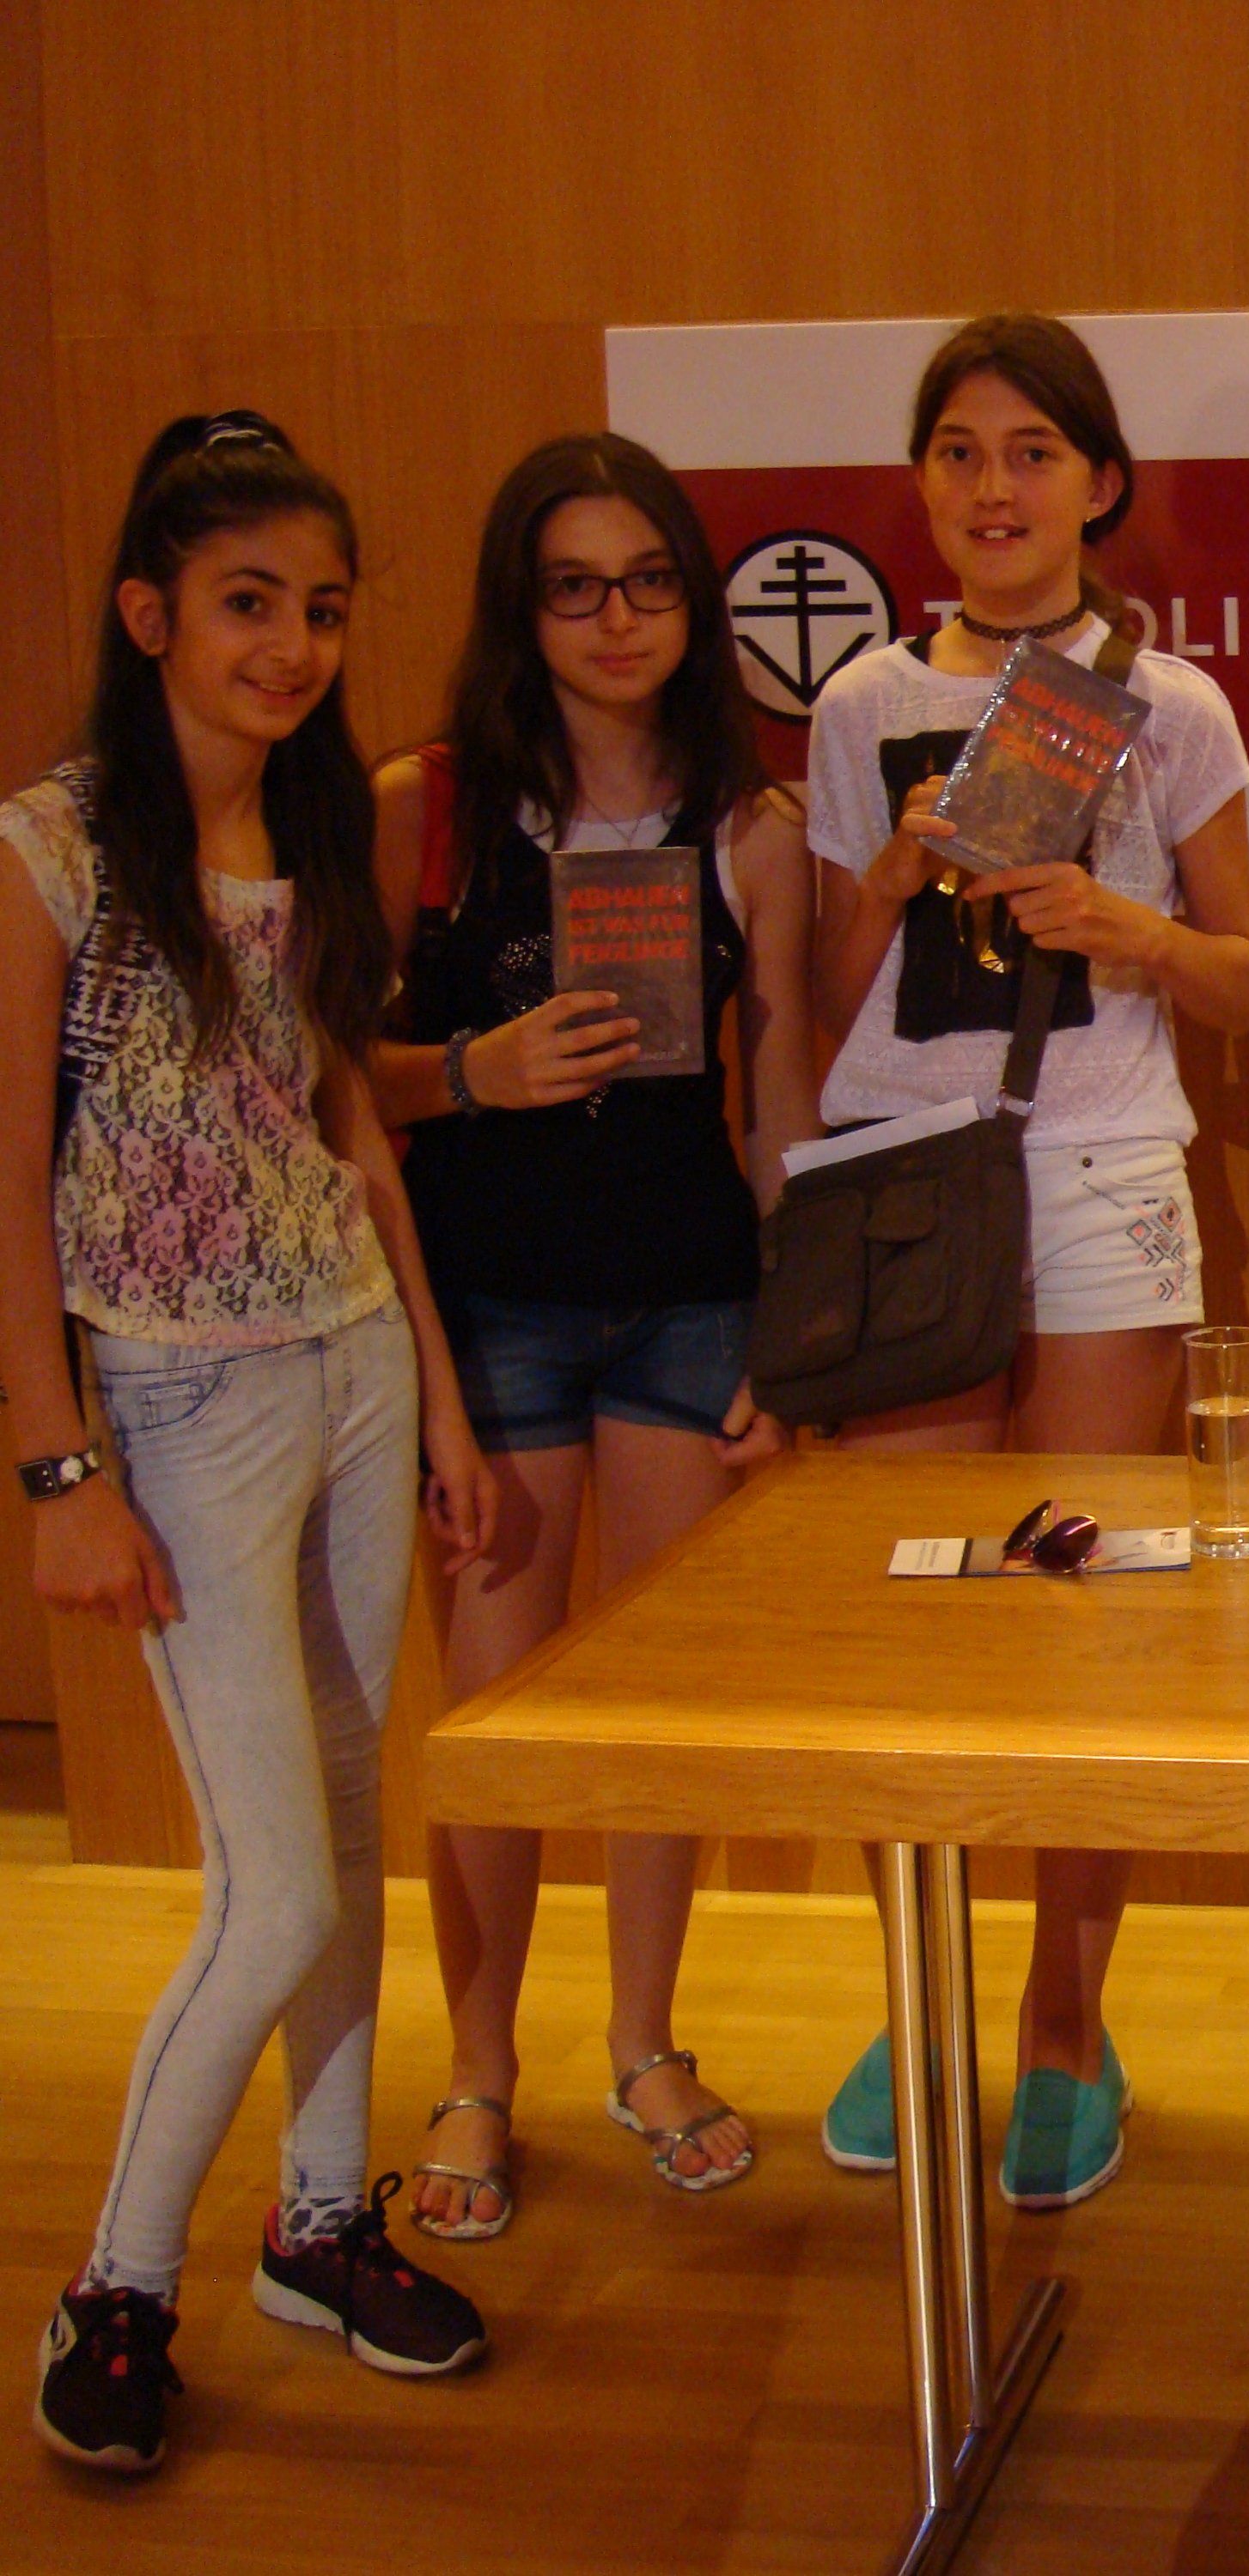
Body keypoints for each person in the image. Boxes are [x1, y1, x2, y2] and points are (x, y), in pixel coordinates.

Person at [5, 415, 495, 2475]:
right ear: (150, 614)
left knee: (353, 1825)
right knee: (271, 1887)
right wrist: (56, 1471)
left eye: (320, 609)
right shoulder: (50, 848)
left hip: (355, 1357)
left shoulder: (310, 837)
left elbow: (348, 1126)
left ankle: (319, 2224)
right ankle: (120, 2285)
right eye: (244, 604)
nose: (289, 646)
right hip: (180, 1395)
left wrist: (443, 1400)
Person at [807, 313, 1249, 2209]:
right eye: (958, 453)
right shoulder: (857, 705)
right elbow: (813, 1000)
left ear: (1099, 485)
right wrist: (890, 878)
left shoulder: (1174, 704)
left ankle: (1063, 2023)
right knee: (903, 1621)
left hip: (1096, 1175)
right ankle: (918, 1997)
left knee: (1087, 1614)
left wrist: (1127, 930)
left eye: (1029, 453)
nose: (992, 488)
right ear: (920, 484)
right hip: (901, 1180)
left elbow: (1245, 987)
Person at [371, 434, 821, 2239]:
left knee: (654, 1705)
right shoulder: (427, 806)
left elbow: (778, 1103)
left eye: (646, 581)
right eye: (574, 586)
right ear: (522, 607)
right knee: (495, 1721)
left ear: (692, 601)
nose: (616, 618)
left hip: (688, 1301)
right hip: (489, 1311)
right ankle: (478, 2072)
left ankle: (644, 2043)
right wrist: (471, 1072)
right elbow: (334, 1083)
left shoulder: (751, 825)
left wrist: (788, 1337)